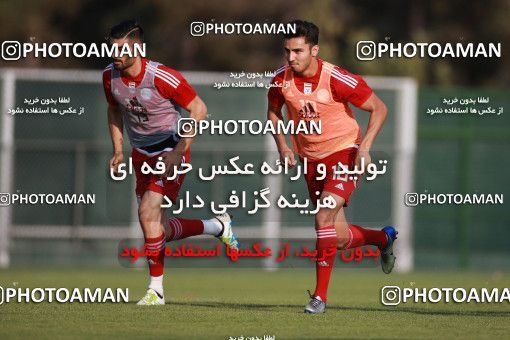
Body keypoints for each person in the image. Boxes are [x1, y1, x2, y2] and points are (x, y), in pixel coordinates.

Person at [102, 19, 239, 305]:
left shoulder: (162, 76)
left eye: (123, 49)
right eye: (112, 48)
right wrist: (118, 150)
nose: (116, 55)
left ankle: (156, 291)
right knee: (157, 226)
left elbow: (199, 109)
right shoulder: (109, 76)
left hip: (170, 150)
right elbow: (114, 110)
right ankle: (217, 226)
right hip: (142, 154)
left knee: (147, 213)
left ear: (138, 48)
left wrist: (179, 150)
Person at [267, 20, 397, 314]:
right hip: (311, 160)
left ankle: (319, 298)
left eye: (298, 51)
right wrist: (284, 146)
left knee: (322, 217)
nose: (291, 58)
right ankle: (383, 238)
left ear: (315, 50)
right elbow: (273, 112)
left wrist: (365, 147)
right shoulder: (280, 80)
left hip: (344, 152)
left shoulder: (337, 78)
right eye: (287, 51)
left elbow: (379, 107)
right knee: (336, 238)